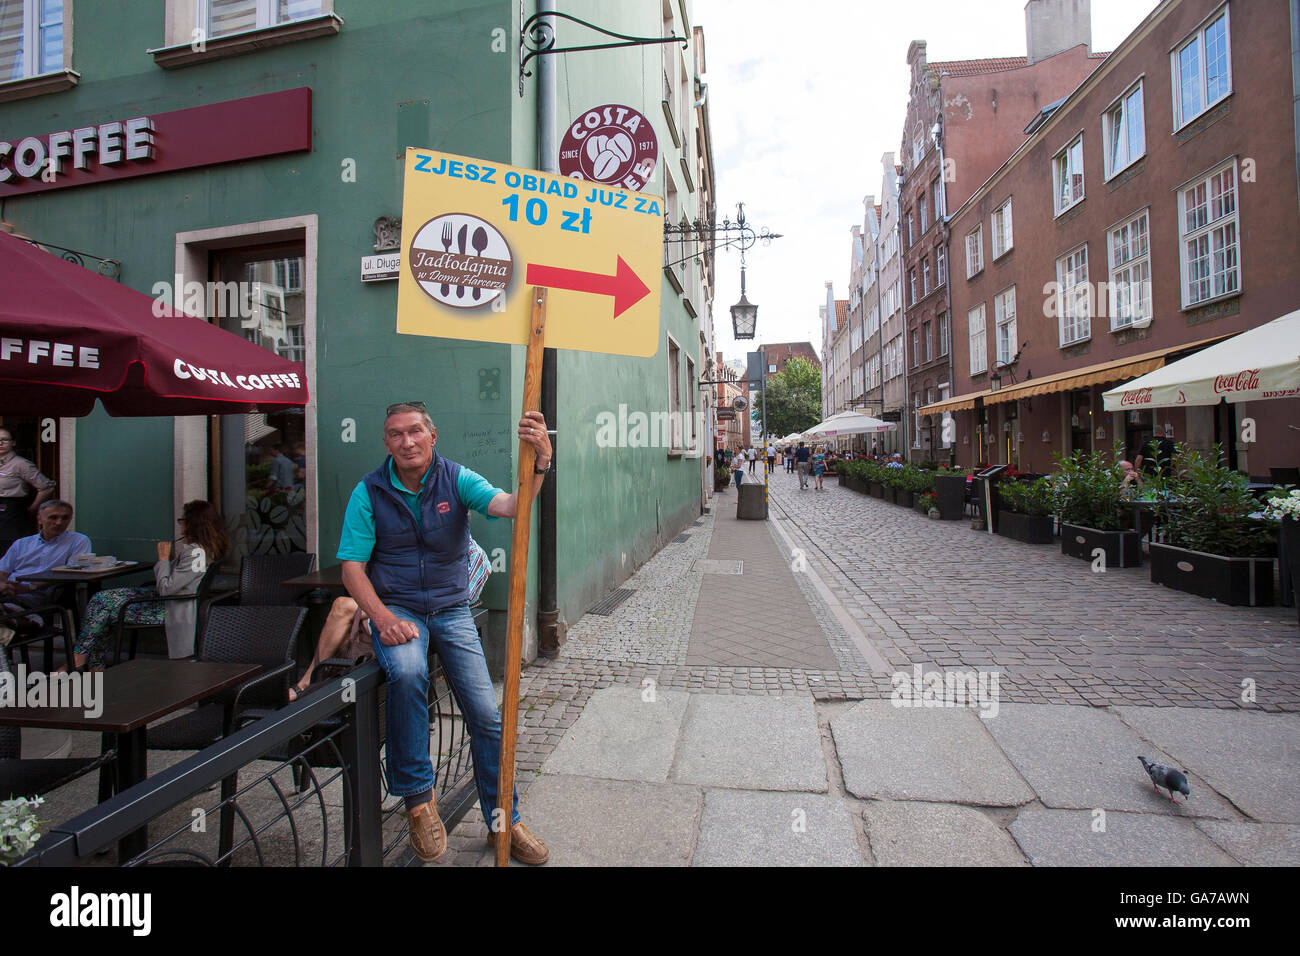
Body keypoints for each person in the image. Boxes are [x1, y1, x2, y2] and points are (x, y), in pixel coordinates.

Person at [338, 401, 552, 866]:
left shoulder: (456, 479)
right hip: (397, 607)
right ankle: (417, 800)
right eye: (396, 434)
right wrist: (381, 617)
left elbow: (511, 506)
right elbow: (352, 568)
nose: (407, 441)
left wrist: (541, 463)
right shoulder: (369, 492)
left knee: (486, 716)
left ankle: (505, 821)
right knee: (410, 673)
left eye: (415, 431)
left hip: (452, 609)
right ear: (386, 442)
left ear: (433, 436)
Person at [290, 539, 491, 701]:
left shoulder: (476, 558)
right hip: (393, 613)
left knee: (344, 609)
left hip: (421, 623)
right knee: (346, 616)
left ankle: (313, 686)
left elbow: (453, 604)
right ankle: (322, 691)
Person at [70, 500, 227, 670]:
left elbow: (166, 589)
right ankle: (90, 662)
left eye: (182, 521)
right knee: (102, 602)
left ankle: (83, 657)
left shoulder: (196, 552)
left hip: (169, 607)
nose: (180, 525)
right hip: (166, 600)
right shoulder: (204, 548)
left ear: (193, 524)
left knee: (102, 604)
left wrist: (163, 559)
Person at [0, 500, 91, 611]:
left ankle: (16, 618)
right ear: (39, 519)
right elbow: (3, 572)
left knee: (8, 609)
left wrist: (30, 587)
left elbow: (71, 573)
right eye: (53, 517)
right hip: (9, 591)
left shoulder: (78, 541)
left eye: (65, 518)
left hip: (41, 594)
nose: (59, 522)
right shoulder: (22, 543)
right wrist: (3, 585)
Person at [0, 427, 57, 558]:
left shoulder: (21, 464)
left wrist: (33, 508)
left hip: (11, 514)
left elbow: (46, 487)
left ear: (13, 442)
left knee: (9, 553)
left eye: (4, 440)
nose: (0, 443)